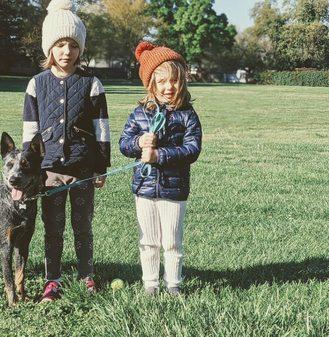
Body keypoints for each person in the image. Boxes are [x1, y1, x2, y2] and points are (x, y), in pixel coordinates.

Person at [20, 0, 110, 302]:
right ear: (49, 48)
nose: (66, 51)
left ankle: (87, 277)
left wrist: (101, 166)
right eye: (60, 44)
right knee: (53, 228)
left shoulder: (92, 83)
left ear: (80, 49)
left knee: (82, 226)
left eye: (72, 45)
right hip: (48, 173)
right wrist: (28, 170)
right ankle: (52, 280)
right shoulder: (36, 85)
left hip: (83, 170)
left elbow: (102, 129)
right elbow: (30, 132)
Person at [119, 41, 202, 296]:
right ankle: (150, 284)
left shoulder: (187, 115)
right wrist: (139, 142)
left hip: (174, 189)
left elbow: (192, 149)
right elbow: (124, 144)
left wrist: (160, 155)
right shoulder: (139, 113)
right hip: (144, 189)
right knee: (149, 241)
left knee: (171, 242)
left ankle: (173, 284)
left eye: (174, 81)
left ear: (183, 82)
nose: (168, 87)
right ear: (151, 84)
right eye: (162, 82)